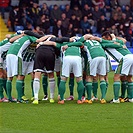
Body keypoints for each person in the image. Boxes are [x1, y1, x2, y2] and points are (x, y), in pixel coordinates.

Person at [92, 31, 133, 103]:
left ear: (108, 37)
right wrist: (115, 39)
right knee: (129, 77)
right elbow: (123, 41)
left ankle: (116, 99)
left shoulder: (106, 43)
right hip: (131, 56)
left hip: (125, 58)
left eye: (104, 38)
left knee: (116, 77)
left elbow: (102, 41)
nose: (103, 39)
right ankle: (130, 98)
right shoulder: (117, 41)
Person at [78, 34, 107, 104]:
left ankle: (89, 98)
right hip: (103, 57)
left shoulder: (84, 43)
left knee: (89, 77)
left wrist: (84, 37)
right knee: (102, 77)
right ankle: (103, 98)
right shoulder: (97, 42)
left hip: (93, 57)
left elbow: (79, 43)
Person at [0, 33, 17, 102]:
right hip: (0, 55)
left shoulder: (12, 39)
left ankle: (8, 96)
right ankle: (1, 97)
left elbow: (7, 35)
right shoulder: (13, 40)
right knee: (1, 75)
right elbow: (7, 35)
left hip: (3, 57)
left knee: (5, 76)